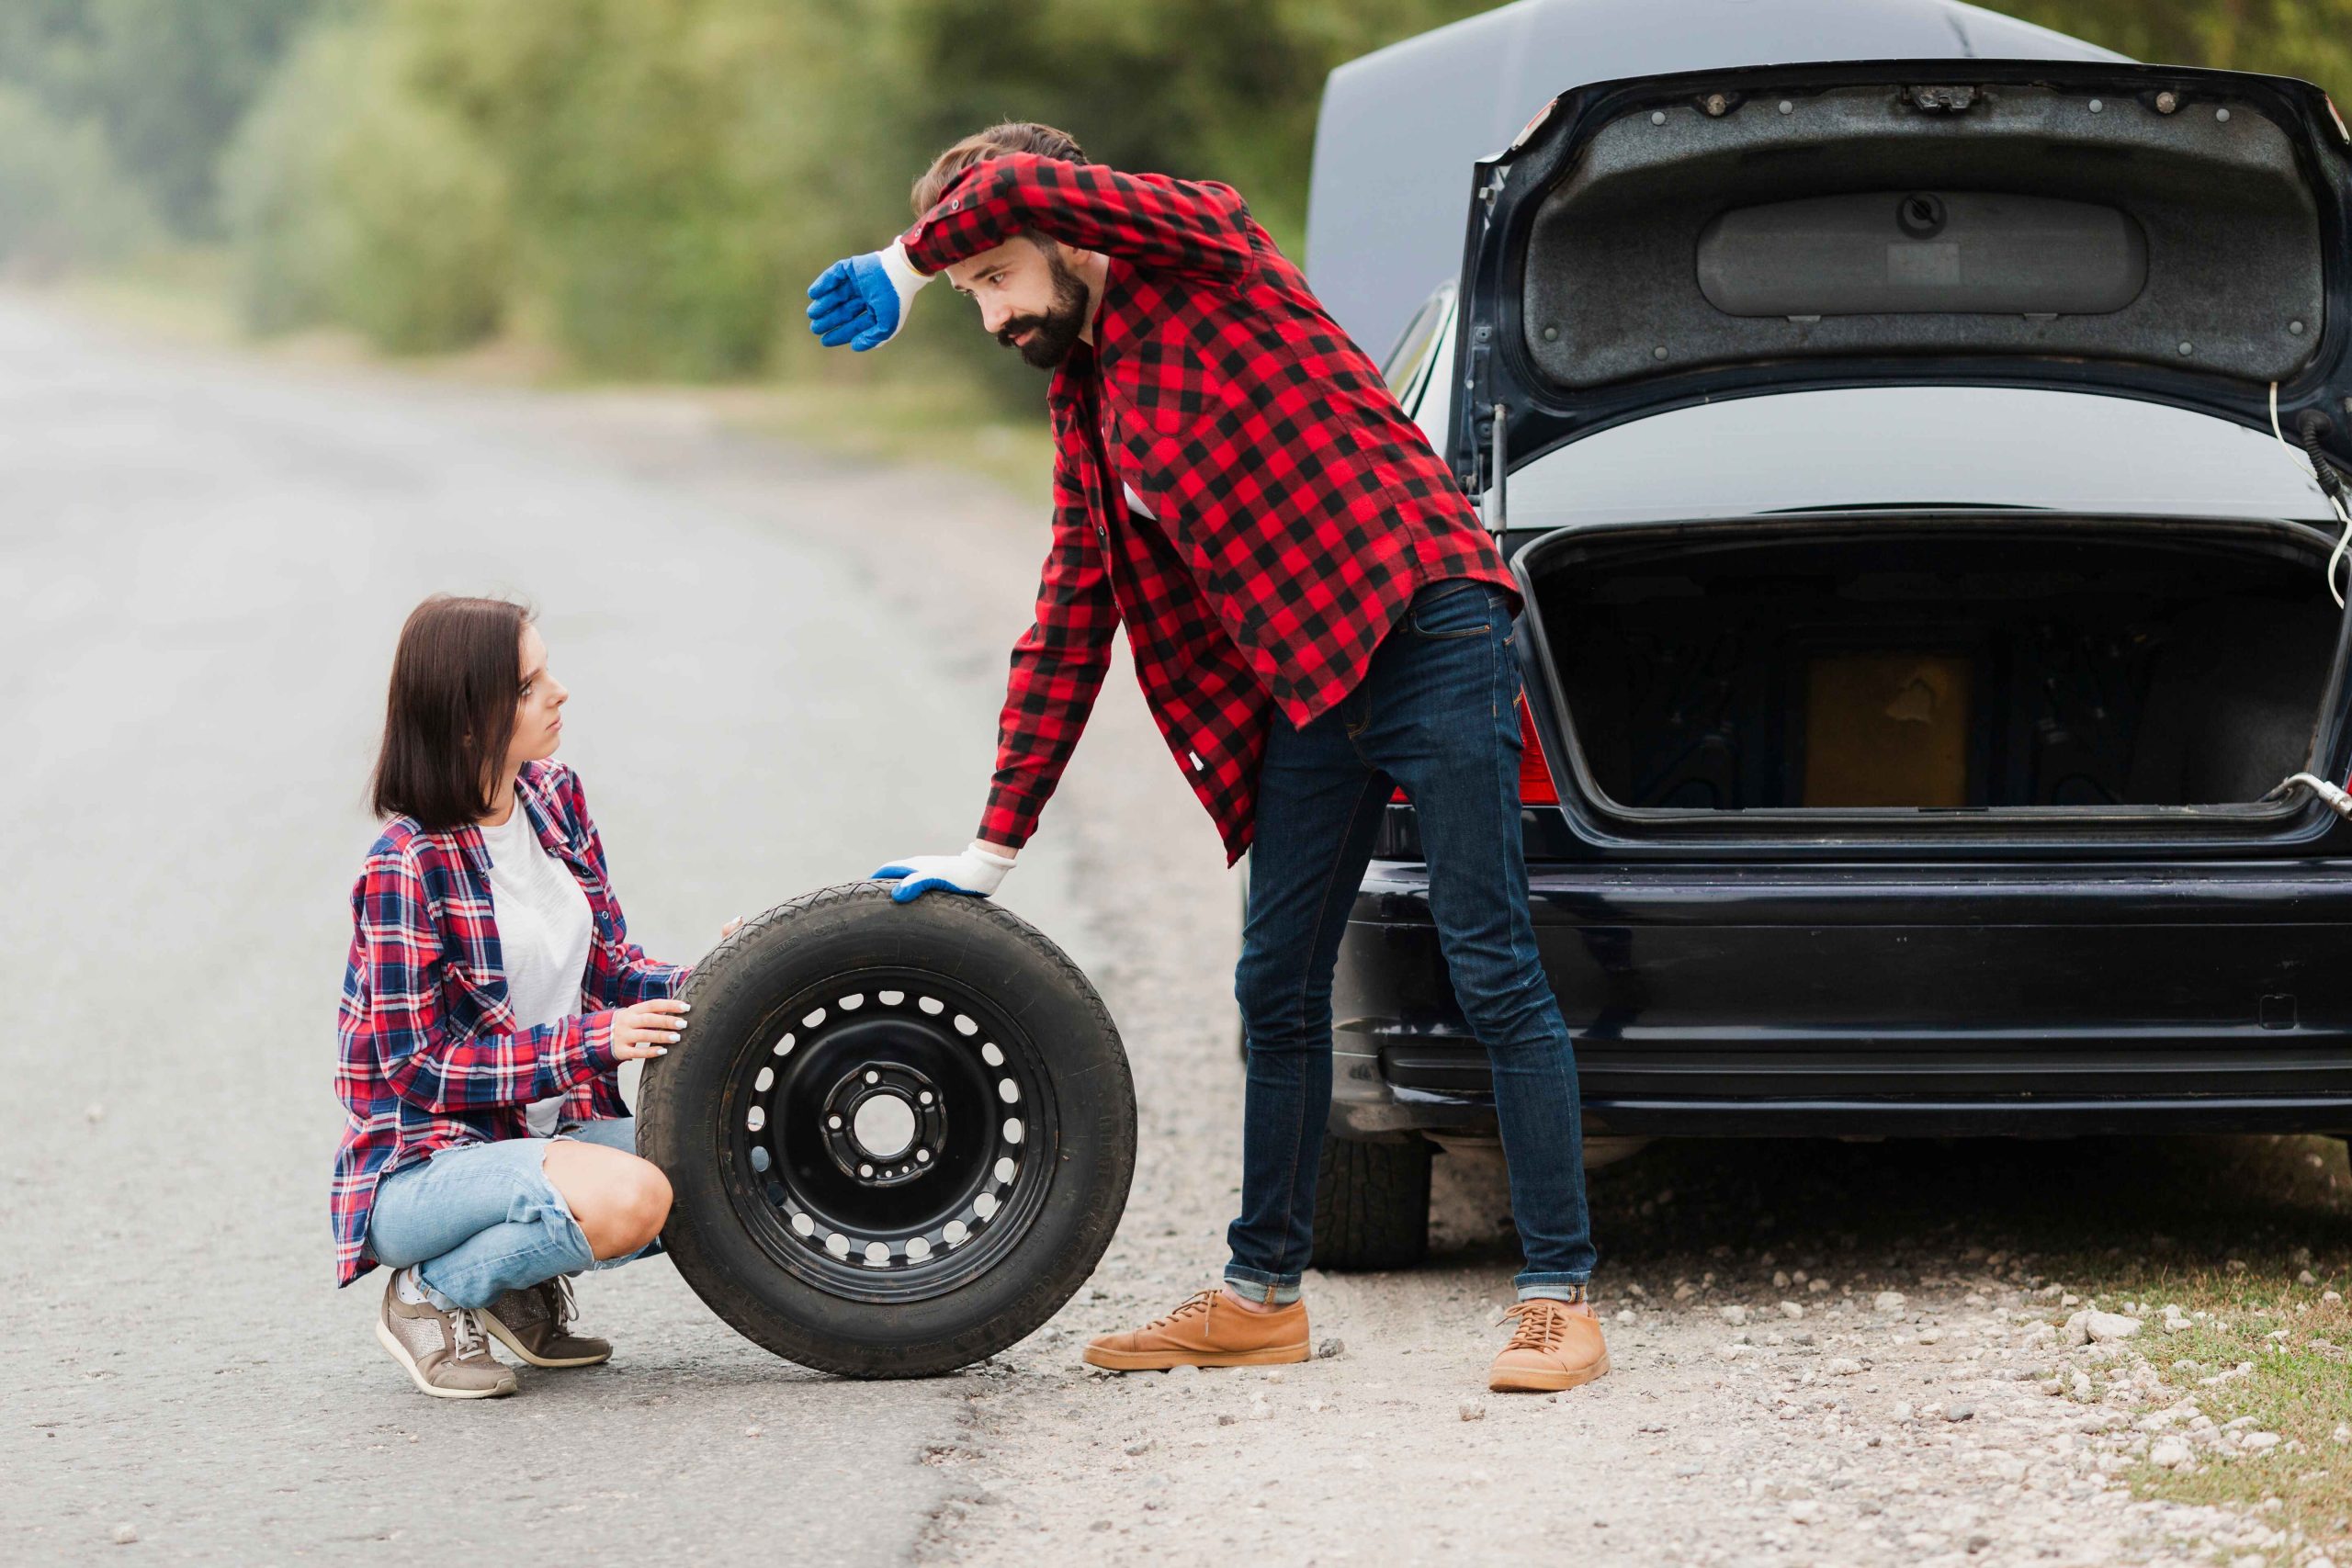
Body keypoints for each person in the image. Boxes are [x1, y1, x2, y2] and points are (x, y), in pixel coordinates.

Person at [808, 123, 1607, 1393]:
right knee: (1275, 979)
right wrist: (992, 844)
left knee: (1486, 952)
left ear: (1068, 234)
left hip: (1431, 619)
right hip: (1312, 681)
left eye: (994, 277)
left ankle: (1559, 1295)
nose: (990, 313)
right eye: (966, 294)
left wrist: (902, 265)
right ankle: (1261, 1294)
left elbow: (1012, 182)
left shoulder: (1208, 250)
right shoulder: (1091, 407)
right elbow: (1070, 620)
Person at [331, 594, 741, 1399]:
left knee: (751, 1161)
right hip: (428, 1167)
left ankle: (509, 1287)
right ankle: (431, 1293)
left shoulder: (554, 798)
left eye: (545, 670)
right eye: (527, 685)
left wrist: (735, 973)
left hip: (552, 1131)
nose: (558, 691)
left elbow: (613, 971)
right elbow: (420, 1068)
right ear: (465, 719)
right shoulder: (404, 865)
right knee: (636, 1195)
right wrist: (592, 1042)